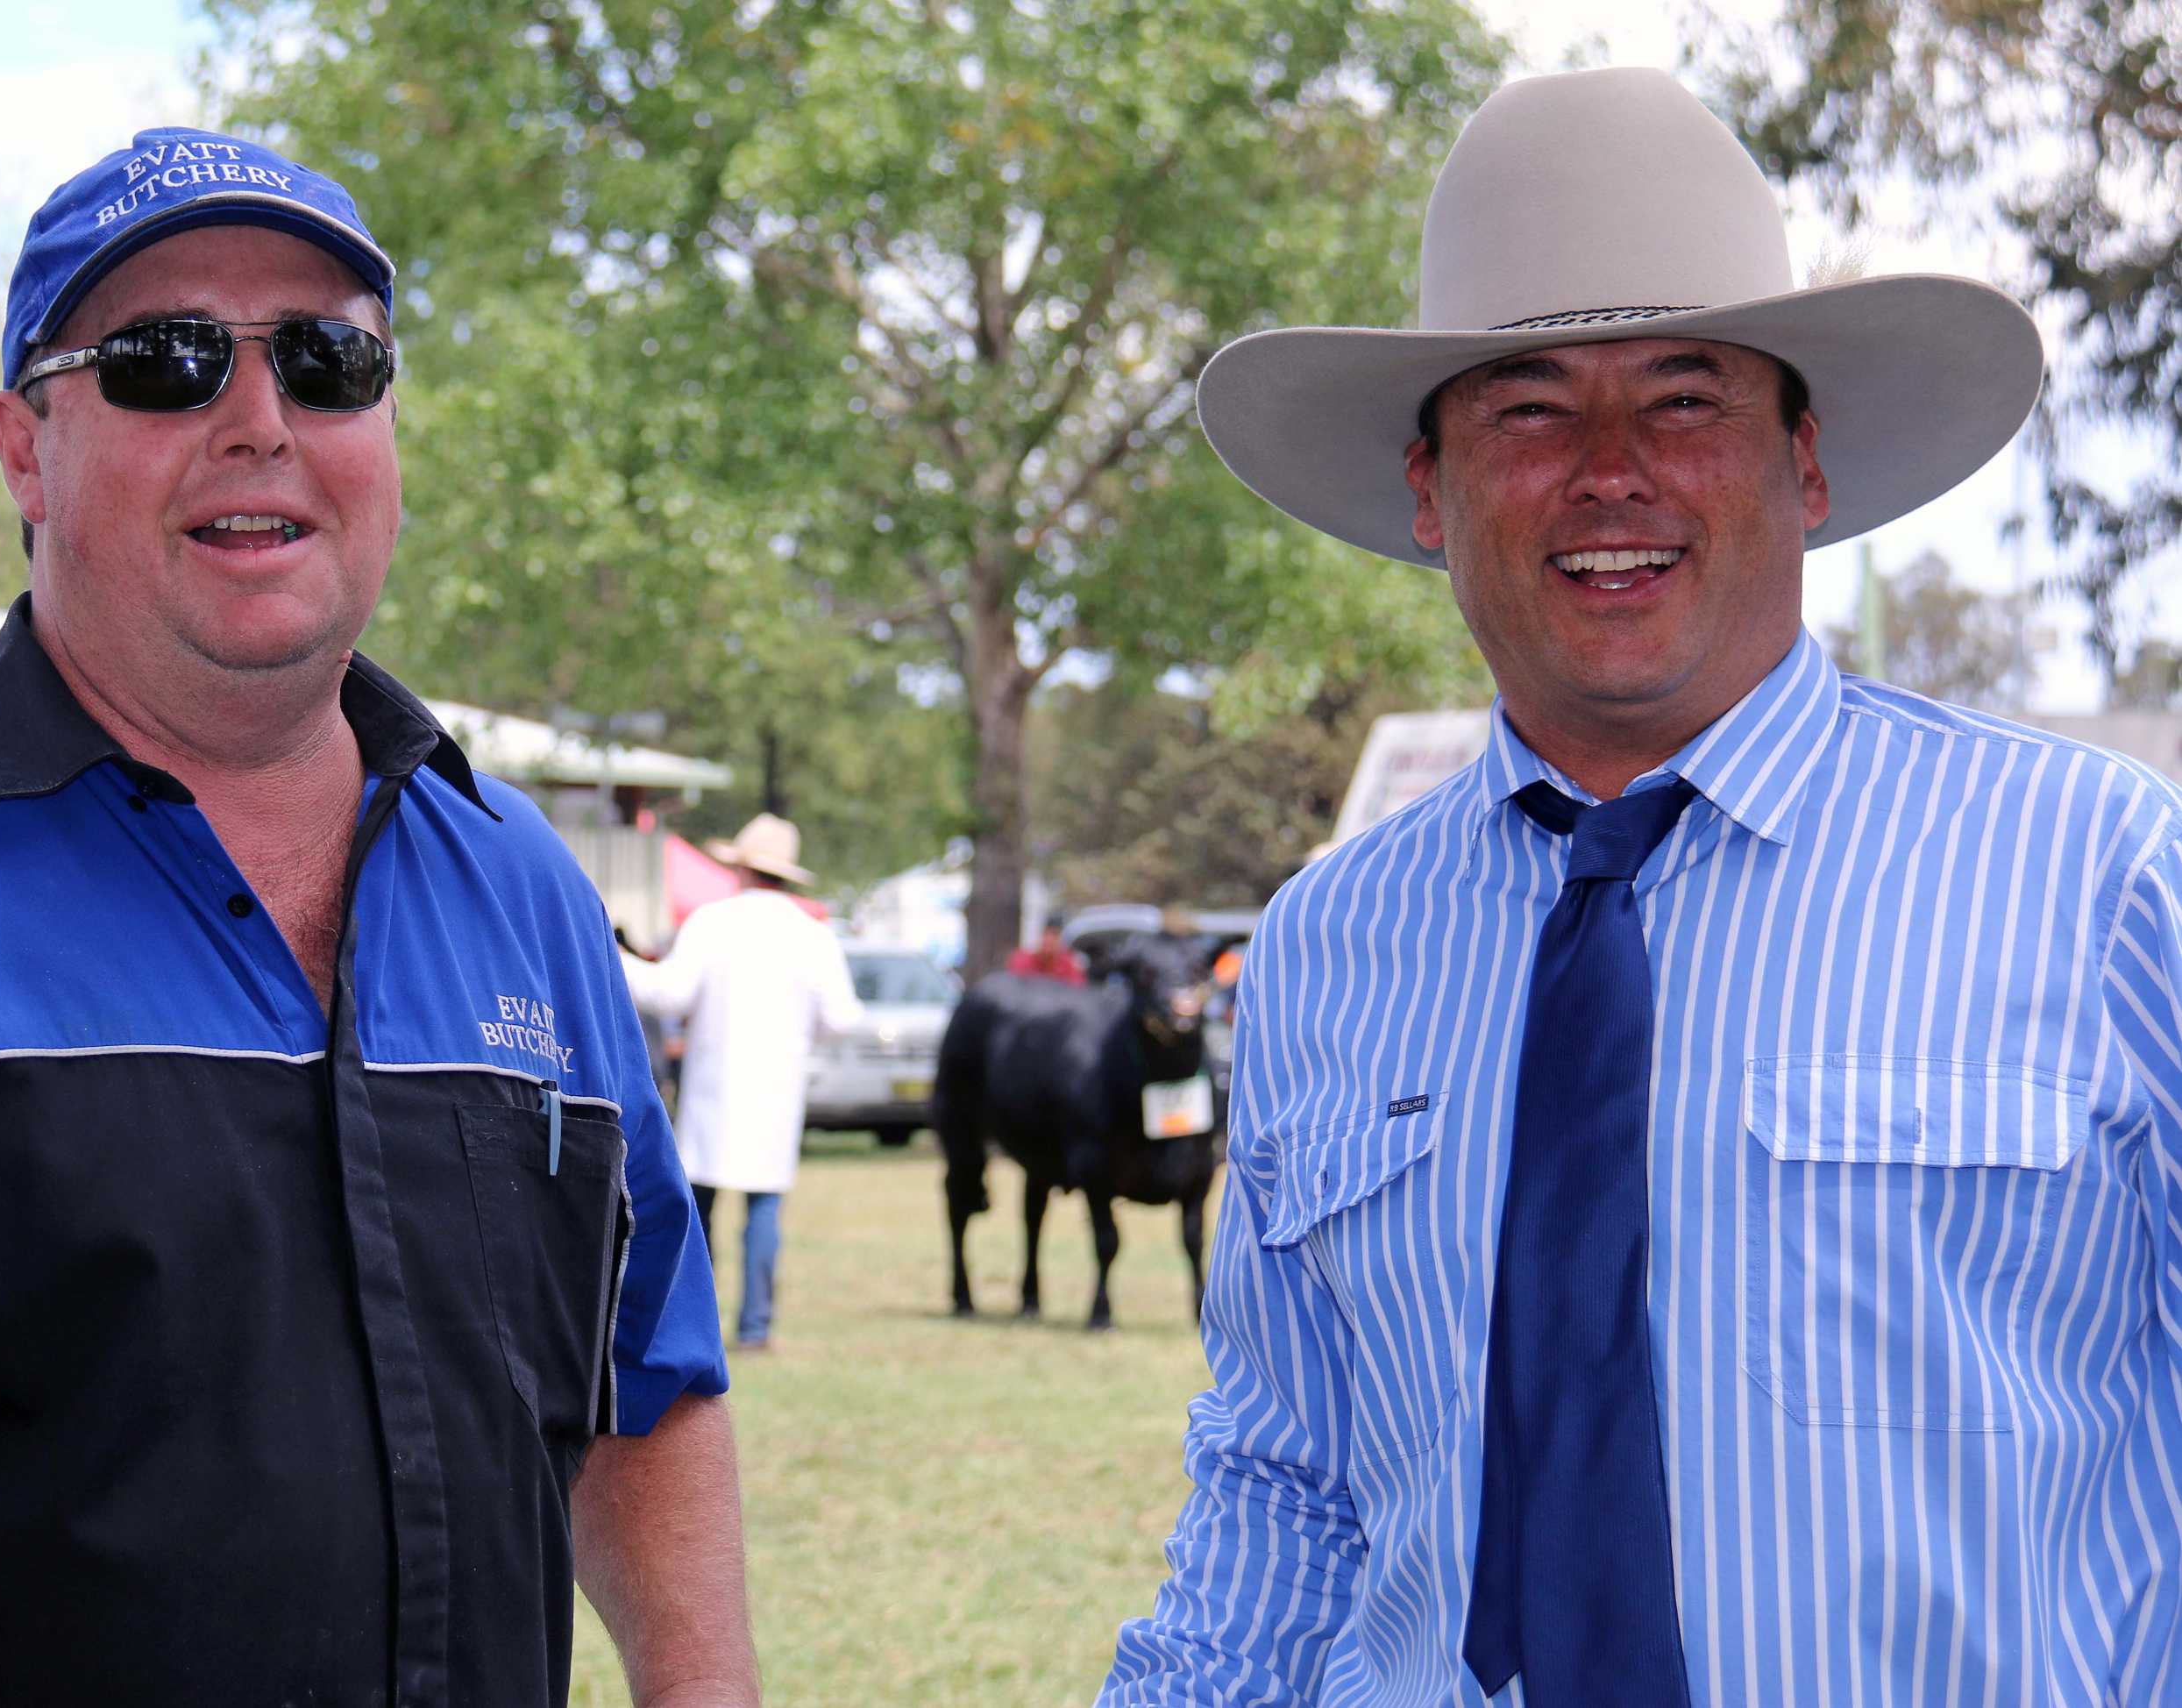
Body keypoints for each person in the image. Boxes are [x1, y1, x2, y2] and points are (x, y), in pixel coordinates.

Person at [0, 127, 757, 1708]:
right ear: (22, 449)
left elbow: (646, 1390)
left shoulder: (519, 887)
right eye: (165, 361)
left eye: (329, 361)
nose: (259, 420)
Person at [1102, 68, 2182, 1705]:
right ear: (1428, 491)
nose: (1612, 469)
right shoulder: (1326, 946)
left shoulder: (2106, 876)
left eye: (1687, 400)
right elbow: (1286, 1484)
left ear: (1803, 466)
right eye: (1527, 408)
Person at [624, 813, 861, 1351]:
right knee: (763, 1209)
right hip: (776, 1094)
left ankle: (692, 1323)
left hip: (713, 1090)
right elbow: (843, 1017)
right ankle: (756, 1326)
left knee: (699, 1209)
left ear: (743, 868)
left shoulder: (714, 922)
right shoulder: (813, 934)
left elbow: (669, 995)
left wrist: (616, 960)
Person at [1006, 912, 1086, 984]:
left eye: (1055, 935)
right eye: (1046, 933)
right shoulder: (1022, 959)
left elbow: (1077, 991)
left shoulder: (1068, 963)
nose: (1049, 940)